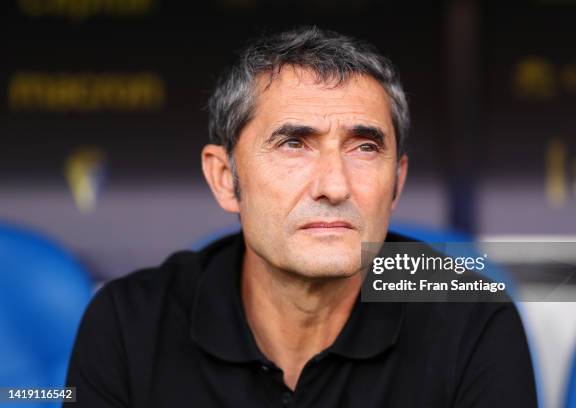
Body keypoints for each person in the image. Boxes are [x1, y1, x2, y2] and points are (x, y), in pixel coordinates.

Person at [65, 26, 537, 407]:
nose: (333, 185)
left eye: (365, 148)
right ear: (225, 178)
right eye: (294, 144)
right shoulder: (130, 323)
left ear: (397, 181)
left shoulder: (472, 316)